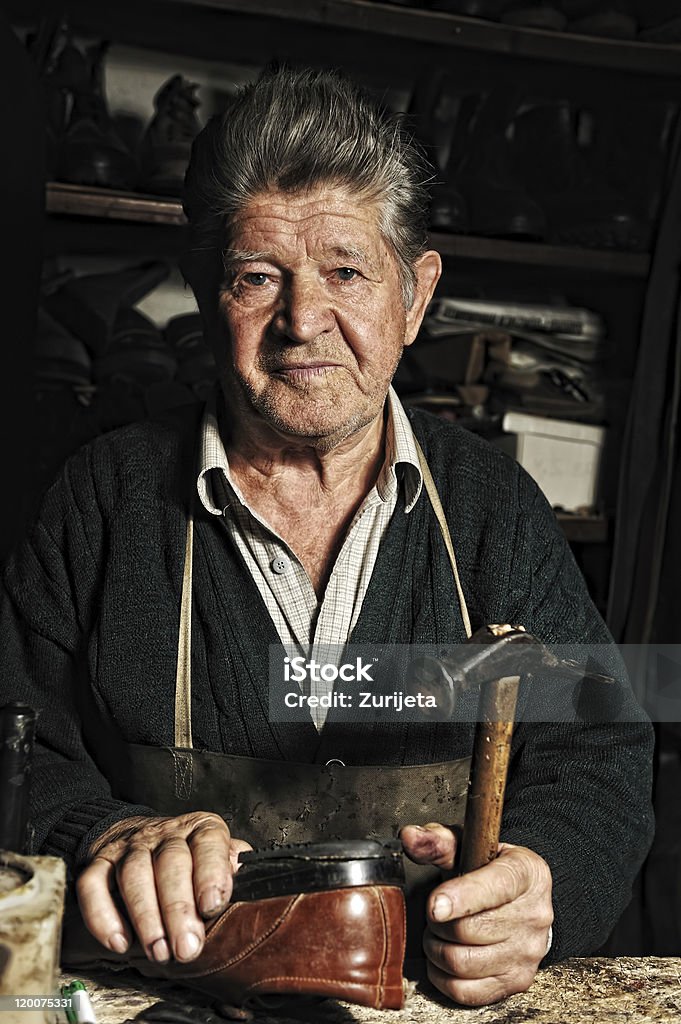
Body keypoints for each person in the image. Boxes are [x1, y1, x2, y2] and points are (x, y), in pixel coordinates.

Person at [0, 66, 654, 1009]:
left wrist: (541, 881)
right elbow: (14, 745)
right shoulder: (105, 496)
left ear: (415, 294)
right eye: (258, 277)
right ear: (203, 293)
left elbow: (597, 761)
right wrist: (103, 834)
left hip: (421, 1001)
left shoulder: (489, 512)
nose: (302, 322)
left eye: (346, 271)